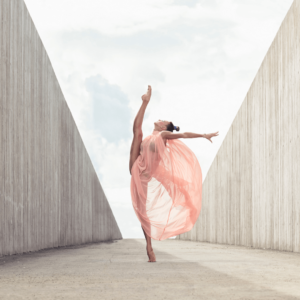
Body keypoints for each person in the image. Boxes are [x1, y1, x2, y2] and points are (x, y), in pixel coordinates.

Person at [129, 85, 219, 262]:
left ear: (164, 126)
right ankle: (144, 102)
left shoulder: (163, 135)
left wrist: (203, 135)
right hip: (136, 165)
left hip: (145, 174)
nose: (159, 119)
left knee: (143, 210)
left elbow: (184, 134)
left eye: (162, 119)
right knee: (137, 132)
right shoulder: (149, 138)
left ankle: (149, 248)